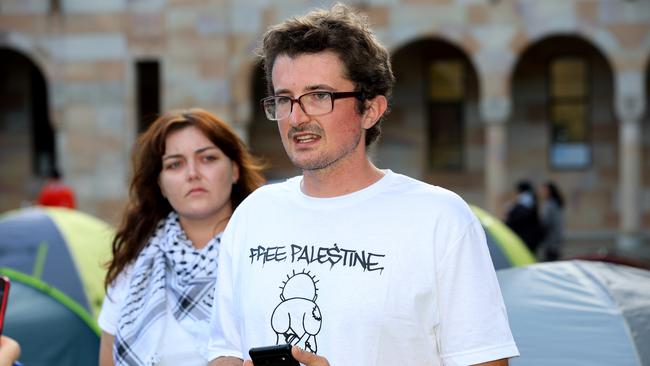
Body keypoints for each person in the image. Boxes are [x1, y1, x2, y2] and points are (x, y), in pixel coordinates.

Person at [205, 4, 518, 366]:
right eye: (284, 98)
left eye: (319, 96)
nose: (296, 117)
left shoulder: (439, 218)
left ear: (370, 109)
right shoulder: (254, 214)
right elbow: (224, 349)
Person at [98, 108, 265, 366]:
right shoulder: (134, 266)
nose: (192, 173)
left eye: (207, 158)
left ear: (234, 170)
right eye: (175, 164)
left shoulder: (267, 252)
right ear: (161, 185)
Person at [505, 180, 542, 254]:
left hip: (525, 236)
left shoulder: (525, 199)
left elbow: (518, 217)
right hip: (530, 235)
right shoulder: (531, 199)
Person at [538, 181, 565, 261]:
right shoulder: (556, 203)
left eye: (544, 190)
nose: (542, 192)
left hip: (550, 240)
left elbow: (546, 222)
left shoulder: (550, 204)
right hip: (556, 239)